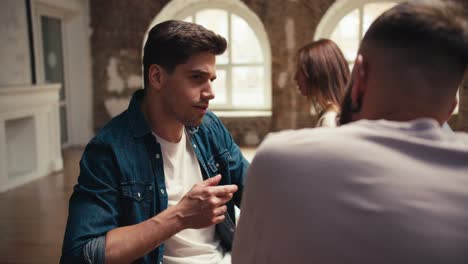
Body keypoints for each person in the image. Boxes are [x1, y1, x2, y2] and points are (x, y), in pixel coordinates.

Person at [233, 1, 468, 263]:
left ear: (359, 77)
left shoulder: (278, 158)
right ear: (452, 106)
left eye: (300, 72)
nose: (295, 80)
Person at [61, 20, 249, 264]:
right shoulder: (109, 150)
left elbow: (258, 195)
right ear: (157, 77)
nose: (210, 92)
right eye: (196, 77)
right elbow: (81, 254)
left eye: (211, 79)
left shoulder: (209, 127)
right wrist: (179, 216)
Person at [294, 39, 350, 127]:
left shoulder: (329, 121)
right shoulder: (332, 115)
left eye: (300, 70)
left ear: (316, 73)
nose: (295, 77)